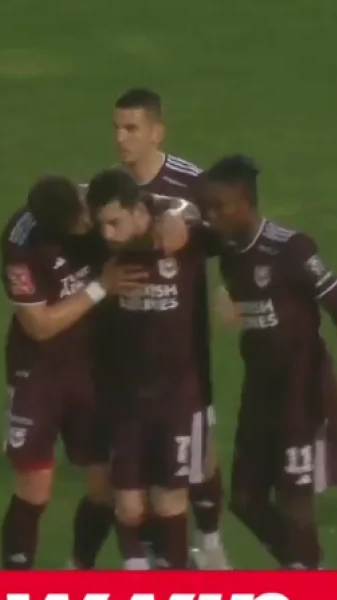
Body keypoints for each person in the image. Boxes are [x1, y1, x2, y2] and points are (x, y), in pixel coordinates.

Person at [201, 155, 337, 569]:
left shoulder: (291, 249)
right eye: (209, 208)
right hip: (259, 393)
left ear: (245, 202)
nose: (212, 216)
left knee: (295, 500)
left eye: (220, 207)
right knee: (244, 499)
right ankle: (308, 568)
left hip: (303, 391)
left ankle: (305, 573)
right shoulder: (229, 252)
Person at [108, 87, 230, 569]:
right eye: (116, 128)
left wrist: (231, 287)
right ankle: (157, 558)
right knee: (145, 481)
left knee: (201, 456)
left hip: (185, 351)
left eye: (131, 128)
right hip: (128, 353)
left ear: (157, 132)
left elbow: (229, 235)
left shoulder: (191, 183)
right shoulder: (112, 189)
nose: (121, 138)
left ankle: (210, 539)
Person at [0, 175, 146, 570]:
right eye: (78, 226)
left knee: (103, 482)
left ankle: (79, 568)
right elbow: (39, 326)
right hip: (38, 370)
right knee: (35, 486)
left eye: (87, 217)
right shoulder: (21, 244)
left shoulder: (97, 199)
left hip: (94, 365)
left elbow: (148, 208)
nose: (89, 227)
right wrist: (101, 287)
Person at [85, 167, 220, 570]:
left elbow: (217, 218)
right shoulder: (103, 252)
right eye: (102, 224)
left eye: (115, 222)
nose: (107, 233)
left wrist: (180, 214)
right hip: (126, 398)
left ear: (139, 211)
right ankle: (137, 565)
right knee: (128, 506)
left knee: (170, 501)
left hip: (180, 397)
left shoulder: (181, 237)